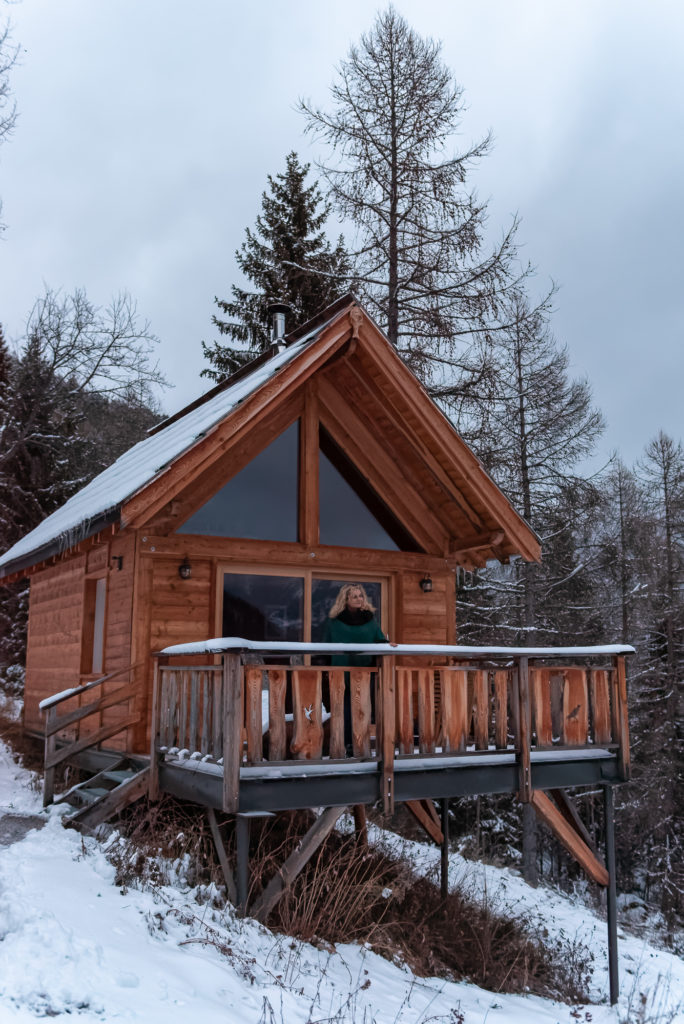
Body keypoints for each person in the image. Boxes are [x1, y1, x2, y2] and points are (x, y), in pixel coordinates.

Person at [323, 583, 393, 754]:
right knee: (344, 710)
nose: (359, 599)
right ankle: (344, 744)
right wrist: (325, 670)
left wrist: (388, 644)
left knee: (362, 709)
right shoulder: (334, 621)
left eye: (361, 595)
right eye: (354, 596)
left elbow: (378, 639)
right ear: (345, 599)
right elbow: (325, 645)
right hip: (341, 671)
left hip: (363, 671)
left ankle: (360, 744)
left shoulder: (370, 619)